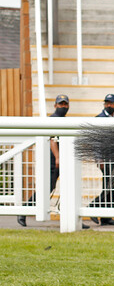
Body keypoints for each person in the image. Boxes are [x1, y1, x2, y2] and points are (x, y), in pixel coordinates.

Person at [18, 94, 88, 228]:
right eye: (61, 104)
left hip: (64, 159)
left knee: (69, 187)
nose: (63, 106)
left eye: (65, 104)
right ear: (55, 105)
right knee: (48, 187)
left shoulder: (65, 120)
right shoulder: (53, 119)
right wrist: (57, 157)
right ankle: (24, 211)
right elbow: (52, 139)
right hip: (54, 160)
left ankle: (73, 218)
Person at [89, 94, 114, 226]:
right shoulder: (99, 119)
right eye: (106, 103)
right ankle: (93, 206)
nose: (108, 105)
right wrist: (99, 159)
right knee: (110, 185)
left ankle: (106, 216)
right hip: (105, 158)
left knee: (112, 186)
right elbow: (96, 141)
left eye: (111, 103)